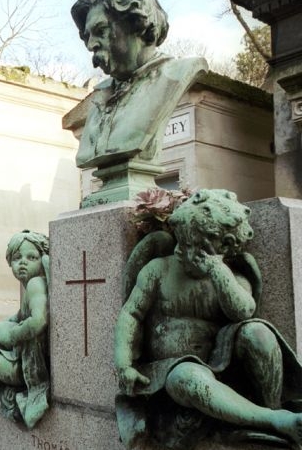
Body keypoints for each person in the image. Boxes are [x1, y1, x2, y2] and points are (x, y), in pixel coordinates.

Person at [115, 189, 302, 448]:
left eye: (194, 246)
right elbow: (131, 313)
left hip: (218, 363)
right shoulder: (159, 269)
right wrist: (124, 363)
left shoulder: (231, 276)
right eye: (180, 241)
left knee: (258, 332)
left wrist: (216, 270)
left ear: (223, 246)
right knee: (188, 377)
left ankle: (272, 411)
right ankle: (270, 420)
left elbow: (244, 311)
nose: (182, 251)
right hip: (170, 370)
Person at [70, 0, 207, 204]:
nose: (90, 45)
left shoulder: (174, 75)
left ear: (137, 24)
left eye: (101, 31)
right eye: (87, 36)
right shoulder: (99, 96)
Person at [0, 230, 50, 429]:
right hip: (23, 361)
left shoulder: (35, 284)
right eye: (17, 257)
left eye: (32, 257)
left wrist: (10, 337)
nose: (23, 262)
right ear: (9, 262)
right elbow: (17, 318)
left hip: (29, 369)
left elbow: (39, 321)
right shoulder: (30, 286)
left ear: (43, 258)